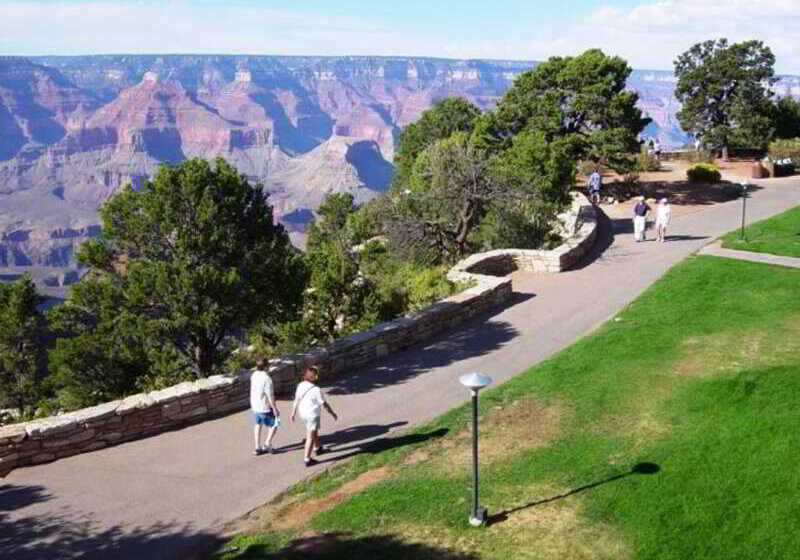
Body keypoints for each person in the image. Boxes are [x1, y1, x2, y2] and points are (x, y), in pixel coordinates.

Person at [291, 366, 338, 467]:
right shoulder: (316, 390)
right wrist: (333, 413)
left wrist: (293, 413)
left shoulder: (300, 385)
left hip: (303, 413)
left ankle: (318, 448)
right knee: (310, 437)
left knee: (313, 430)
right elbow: (324, 404)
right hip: (312, 415)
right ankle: (307, 459)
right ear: (315, 377)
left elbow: (296, 399)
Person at [250, 358, 279, 456]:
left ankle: (257, 447)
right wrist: (274, 408)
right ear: (266, 367)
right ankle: (267, 443)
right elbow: (270, 395)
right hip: (264, 406)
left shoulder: (254, 375)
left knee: (258, 424)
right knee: (275, 423)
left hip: (255, 405)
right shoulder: (267, 379)